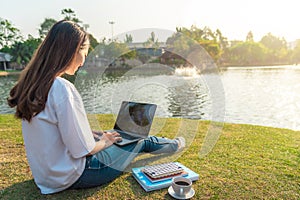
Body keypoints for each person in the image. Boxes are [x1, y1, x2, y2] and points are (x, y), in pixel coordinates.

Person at [7, 20, 185, 195]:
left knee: (112, 134)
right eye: (84, 53)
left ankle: (162, 142)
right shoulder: (61, 88)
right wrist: (105, 141)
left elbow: (56, 131)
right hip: (76, 174)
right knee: (138, 140)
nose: (83, 61)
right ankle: (174, 145)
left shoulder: (34, 85)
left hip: (46, 176)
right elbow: (83, 150)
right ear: (73, 50)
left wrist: (94, 134)